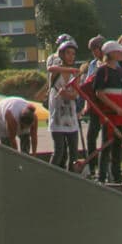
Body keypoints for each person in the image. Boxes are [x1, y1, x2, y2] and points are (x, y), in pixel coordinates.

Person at [93, 41, 122, 186]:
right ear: (111, 53)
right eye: (118, 51)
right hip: (109, 114)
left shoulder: (119, 71)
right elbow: (99, 93)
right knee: (106, 144)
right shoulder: (102, 71)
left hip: (119, 114)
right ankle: (101, 177)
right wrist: (115, 108)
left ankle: (116, 176)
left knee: (118, 145)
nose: (120, 53)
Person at [47, 40, 80, 170]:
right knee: (59, 151)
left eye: (73, 54)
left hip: (71, 118)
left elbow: (75, 95)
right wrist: (70, 69)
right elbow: (50, 69)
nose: (71, 56)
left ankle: (71, 176)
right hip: (57, 118)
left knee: (74, 153)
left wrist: (67, 94)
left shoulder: (75, 74)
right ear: (61, 54)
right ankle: (50, 176)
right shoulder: (58, 71)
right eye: (68, 53)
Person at [81, 35, 106, 179]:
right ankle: (92, 166)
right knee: (91, 136)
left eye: (95, 49)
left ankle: (105, 167)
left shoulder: (108, 63)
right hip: (95, 105)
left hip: (106, 104)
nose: (94, 53)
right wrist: (86, 104)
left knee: (106, 137)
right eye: (92, 50)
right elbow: (88, 87)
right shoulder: (93, 65)